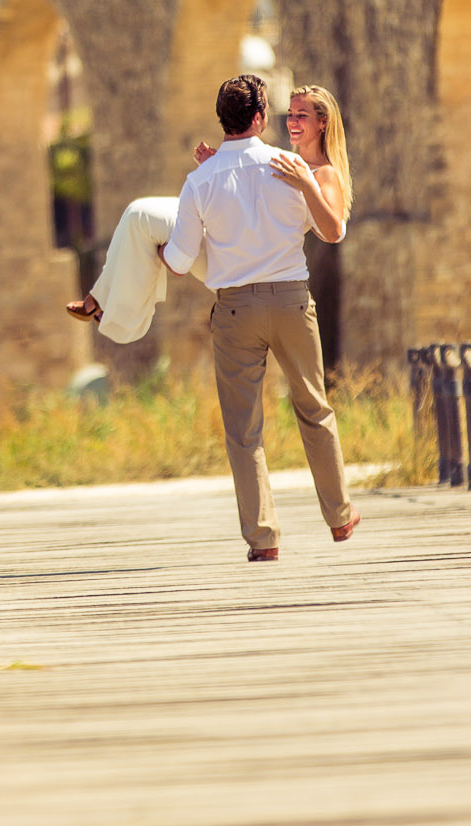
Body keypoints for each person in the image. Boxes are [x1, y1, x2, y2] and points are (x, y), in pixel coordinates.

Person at [159, 74, 359, 562]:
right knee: (314, 409)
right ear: (259, 117)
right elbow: (330, 229)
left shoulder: (199, 180)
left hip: (235, 310)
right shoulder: (291, 166)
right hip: (291, 301)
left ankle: (264, 538)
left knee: (244, 431)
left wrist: (162, 251)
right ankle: (339, 517)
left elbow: (181, 262)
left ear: (222, 119)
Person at [65, 84, 352, 343]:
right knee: (138, 214)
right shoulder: (286, 160)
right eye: (290, 113)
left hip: (239, 262)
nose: (292, 121)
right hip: (233, 245)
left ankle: (118, 312)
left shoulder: (323, 173)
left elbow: (334, 231)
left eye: (302, 115)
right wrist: (220, 165)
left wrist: (306, 183)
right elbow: (249, 200)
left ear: (322, 122)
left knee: (145, 222)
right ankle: (100, 299)